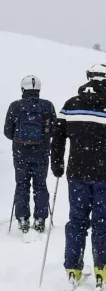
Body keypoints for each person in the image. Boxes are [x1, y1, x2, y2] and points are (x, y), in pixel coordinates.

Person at [51, 64, 106, 290]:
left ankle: (73, 269)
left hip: (77, 174)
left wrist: (57, 164)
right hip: (105, 175)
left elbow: (58, 136)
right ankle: (102, 270)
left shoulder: (70, 105)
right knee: (102, 223)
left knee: (77, 221)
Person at [5, 75, 57, 235]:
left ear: (23, 89)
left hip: (21, 153)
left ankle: (22, 218)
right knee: (40, 185)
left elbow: (7, 132)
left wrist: (19, 140)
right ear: (38, 89)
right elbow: (54, 130)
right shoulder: (47, 106)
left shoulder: (15, 106)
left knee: (22, 186)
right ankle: (40, 219)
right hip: (41, 153)